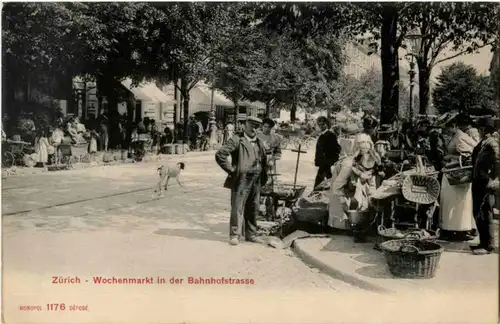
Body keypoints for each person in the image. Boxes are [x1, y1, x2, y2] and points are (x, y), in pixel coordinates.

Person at [215, 116, 268, 246]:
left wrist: (263, 174)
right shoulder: (237, 140)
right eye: (251, 125)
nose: (254, 129)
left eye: (257, 126)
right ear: (245, 125)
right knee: (238, 207)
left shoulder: (259, 142)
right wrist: (232, 170)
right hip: (241, 180)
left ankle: (251, 234)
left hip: (255, 180)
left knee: (253, 207)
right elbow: (220, 154)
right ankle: (234, 235)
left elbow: (264, 160)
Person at [329, 133, 380, 242]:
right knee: (346, 215)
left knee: (363, 204)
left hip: (355, 188)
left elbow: (372, 184)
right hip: (344, 189)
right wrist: (344, 203)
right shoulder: (348, 165)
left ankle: (358, 225)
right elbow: (336, 187)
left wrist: (373, 198)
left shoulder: (371, 162)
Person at [440, 114, 479, 240]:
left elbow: (468, 156)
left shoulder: (460, 137)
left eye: (447, 128)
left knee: (458, 204)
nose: (446, 131)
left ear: (454, 126)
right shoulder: (456, 136)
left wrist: (450, 158)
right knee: (450, 202)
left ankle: (459, 230)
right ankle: (449, 228)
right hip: (451, 172)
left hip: (457, 174)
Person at [470, 118, 499, 255]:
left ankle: (489, 245)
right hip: (478, 181)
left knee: (485, 211)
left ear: (484, 130)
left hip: (485, 182)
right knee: (478, 212)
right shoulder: (483, 143)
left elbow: (498, 162)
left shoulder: (492, 144)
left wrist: (494, 178)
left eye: (480, 128)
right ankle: (483, 242)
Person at [314, 116, 341, 189]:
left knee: (319, 182)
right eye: (319, 124)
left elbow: (337, 149)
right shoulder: (322, 135)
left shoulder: (331, 135)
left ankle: (315, 194)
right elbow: (319, 150)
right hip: (323, 162)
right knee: (329, 179)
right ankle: (331, 192)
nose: (321, 126)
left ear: (326, 124)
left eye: (323, 124)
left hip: (326, 162)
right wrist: (318, 160)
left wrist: (329, 160)